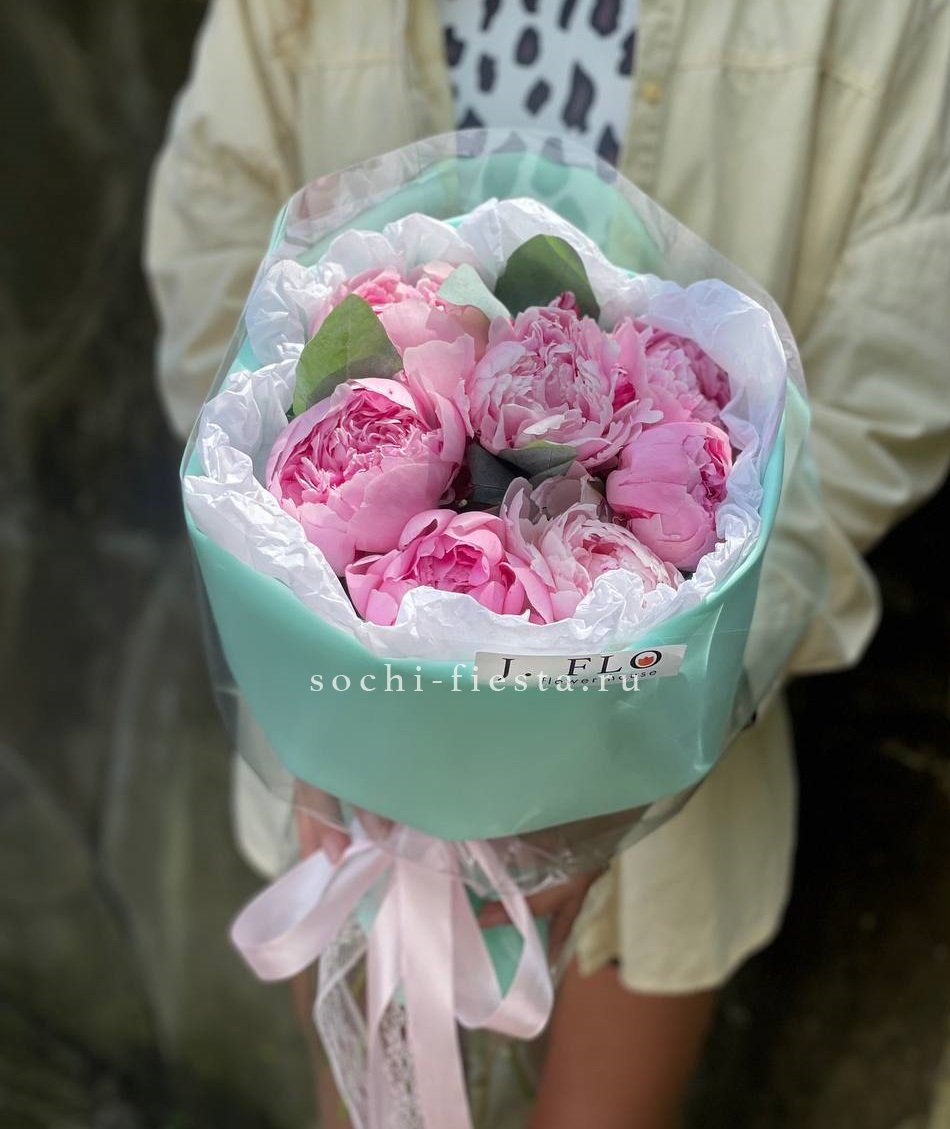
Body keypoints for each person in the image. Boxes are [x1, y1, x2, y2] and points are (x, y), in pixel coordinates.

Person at [145, 3, 950, 1127]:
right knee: (367, 1103)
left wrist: (628, 725)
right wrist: (310, 648)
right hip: (336, 776)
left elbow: (894, 374)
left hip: (665, 766)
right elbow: (213, 225)